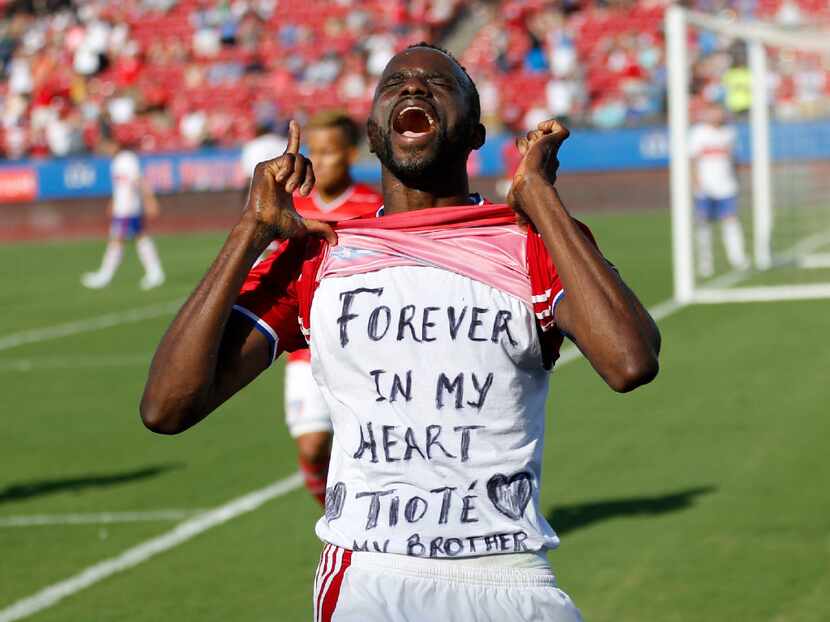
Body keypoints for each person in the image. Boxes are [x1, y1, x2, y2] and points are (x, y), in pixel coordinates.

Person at [141, 43, 660, 621]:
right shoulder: (320, 257)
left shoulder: (528, 240)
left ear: (475, 134)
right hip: (370, 581)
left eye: (437, 83)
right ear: (372, 132)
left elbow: (629, 361)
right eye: (396, 83)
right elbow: (168, 407)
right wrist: (249, 232)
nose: (413, 88)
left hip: (510, 577)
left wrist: (541, 198)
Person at [281, 111, 383, 506]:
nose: (320, 162)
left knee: (369, 452)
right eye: (314, 153)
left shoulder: (373, 206)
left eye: (330, 153)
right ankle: (330, 512)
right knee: (312, 446)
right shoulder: (292, 206)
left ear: (352, 155)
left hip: (362, 346)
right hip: (307, 345)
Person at [82, 138, 165, 290]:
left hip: (128, 209)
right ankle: (155, 272)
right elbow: (121, 186)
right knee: (141, 238)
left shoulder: (126, 159)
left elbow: (139, 181)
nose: (103, 150)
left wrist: (149, 200)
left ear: (114, 144)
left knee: (117, 240)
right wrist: (113, 202)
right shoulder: (117, 162)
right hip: (124, 207)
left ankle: (105, 275)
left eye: (105, 145)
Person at [689, 103, 749, 278]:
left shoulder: (730, 133)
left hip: (727, 185)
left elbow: (734, 159)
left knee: (730, 221)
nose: (717, 116)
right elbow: (692, 160)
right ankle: (705, 263)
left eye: (719, 113)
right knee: (703, 223)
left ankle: (737, 258)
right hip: (705, 187)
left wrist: (737, 179)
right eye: (713, 113)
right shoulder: (698, 133)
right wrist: (695, 181)